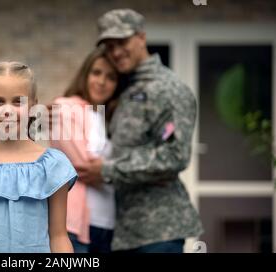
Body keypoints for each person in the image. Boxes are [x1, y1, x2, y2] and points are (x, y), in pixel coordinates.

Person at [75, 9, 203, 253]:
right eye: (109, 46)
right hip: (121, 233)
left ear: (141, 37)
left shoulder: (169, 89)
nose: (115, 52)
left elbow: (175, 155)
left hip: (158, 231)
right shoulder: (122, 89)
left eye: (121, 42)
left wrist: (108, 170)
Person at [0, 61, 77, 253]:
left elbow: (58, 238)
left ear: (33, 105)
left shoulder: (53, 166)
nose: (7, 110)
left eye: (18, 101)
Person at [50, 46, 123, 253]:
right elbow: (82, 164)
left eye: (111, 77)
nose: (102, 82)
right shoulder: (64, 108)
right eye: (96, 72)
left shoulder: (109, 119)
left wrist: (109, 170)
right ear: (85, 74)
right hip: (74, 226)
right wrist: (122, 170)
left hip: (108, 225)